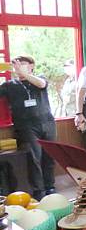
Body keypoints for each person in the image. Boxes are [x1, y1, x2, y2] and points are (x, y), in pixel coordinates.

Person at [0, 56, 56, 200]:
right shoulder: (9, 85)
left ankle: (50, 187)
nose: (18, 66)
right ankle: (39, 191)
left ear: (31, 66)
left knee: (50, 157)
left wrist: (25, 74)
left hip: (47, 123)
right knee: (34, 158)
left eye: (22, 64)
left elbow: (42, 84)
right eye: (15, 64)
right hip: (26, 127)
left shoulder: (39, 79)